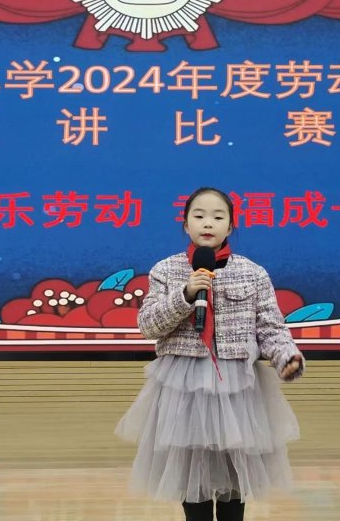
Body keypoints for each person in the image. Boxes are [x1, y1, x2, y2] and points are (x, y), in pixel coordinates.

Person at [116, 187, 305, 521]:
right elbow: (148, 325)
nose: (208, 223)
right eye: (199, 215)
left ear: (230, 226)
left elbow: (271, 328)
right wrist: (186, 294)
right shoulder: (166, 270)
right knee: (192, 479)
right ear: (185, 224)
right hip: (184, 386)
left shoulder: (253, 272)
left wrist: (286, 357)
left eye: (218, 217)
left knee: (235, 478)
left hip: (238, 387)